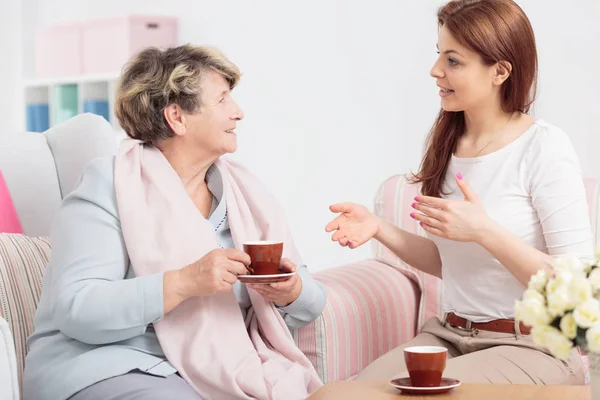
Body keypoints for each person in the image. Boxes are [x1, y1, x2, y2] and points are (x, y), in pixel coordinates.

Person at [23, 44, 325, 400]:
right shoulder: (110, 185)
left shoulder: (247, 196)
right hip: (107, 366)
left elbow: (311, 298)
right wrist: (183, 282)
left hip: (214, 371)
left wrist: (291, 292)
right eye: (223, 100)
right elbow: (79, 308)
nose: (238, 113)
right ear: (177, 117)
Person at [326, 0, 592, 385]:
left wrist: (486, 231)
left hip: (531, 346)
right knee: (344, 395)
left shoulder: (544, 147)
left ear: (500, 71)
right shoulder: (449, 144)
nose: (435, 71)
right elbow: (449, 261)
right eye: (439, 56)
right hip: (449, 336)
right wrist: (378, 227)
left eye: (453, 61)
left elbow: (577, 287)